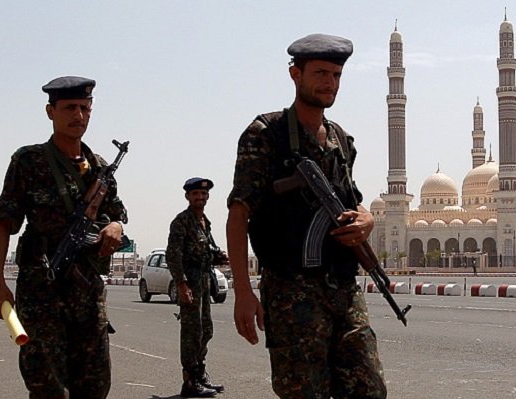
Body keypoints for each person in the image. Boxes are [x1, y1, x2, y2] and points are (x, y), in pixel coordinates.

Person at [226, 33, 387, 398]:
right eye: (320, 73)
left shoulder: (342, 140)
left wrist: (368, 220)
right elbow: (239, 214)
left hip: (344, 290)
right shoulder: (265, 134)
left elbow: (353, 202)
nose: (329, 82)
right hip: (291, 292)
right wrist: (242, 291)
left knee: (369, 389)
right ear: (294, 74)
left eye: (336, 75)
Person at [0, 76, 127, 398]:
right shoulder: (29, 160)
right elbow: (3, 222)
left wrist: (115, 227)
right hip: (41, 293)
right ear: (51, 111)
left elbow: (118, 213)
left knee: (95, 385)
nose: (78, 115)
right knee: (48, 387)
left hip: (88, 294)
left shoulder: (100, 168)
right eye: (69, 108)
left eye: (85, 108)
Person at [166, 177, 227, 398]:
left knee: (206, 329)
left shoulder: (204, 222)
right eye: (195, 194)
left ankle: (200, 374)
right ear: (188, 197)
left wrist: (217, 256)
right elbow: (173, 255)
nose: (200, 197)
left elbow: (203, 251)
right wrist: (181, 284)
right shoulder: (181, 221)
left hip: (203, 279)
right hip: (190, 281)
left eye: (203, 194)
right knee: (191, 332)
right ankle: (189, 380)